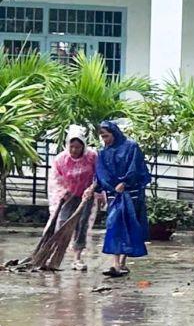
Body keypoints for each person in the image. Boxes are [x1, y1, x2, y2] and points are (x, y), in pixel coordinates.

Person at [30, 126, 99, 271]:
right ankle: (51, 253)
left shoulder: (92, 156)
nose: (74, 150)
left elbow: (98, 175)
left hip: (87, 195)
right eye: (72, 146)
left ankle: (77, 258)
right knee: (61, 222)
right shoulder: (61, 159)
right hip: (68, 194)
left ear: (83, 146)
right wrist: (63, 192)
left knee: (82, 224)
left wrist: (93, 189)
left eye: (78, 147)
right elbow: (55, 178)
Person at [93, 119, 151, 278]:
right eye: (102, 137)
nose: (105, 140)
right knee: (114, 225)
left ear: (114, 133)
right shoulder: (103, 152)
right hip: (114, 194)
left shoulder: (131, 147)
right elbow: (100, 173)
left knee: (131, 225)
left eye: (107, 136)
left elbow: (136, 168)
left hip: (132, 193)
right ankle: (116, 263)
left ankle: (122, 262)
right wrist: (98, 188)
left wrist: (125, 182)